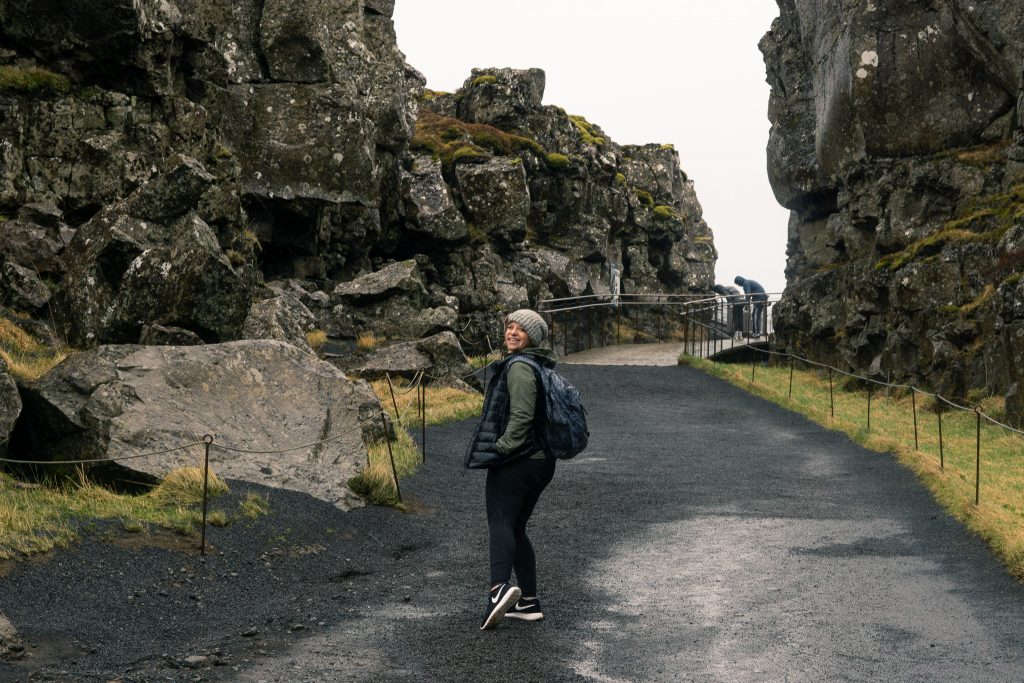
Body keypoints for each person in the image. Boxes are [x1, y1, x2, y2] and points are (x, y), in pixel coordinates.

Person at [466, 309, 558, 630]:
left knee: (501, 520)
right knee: (516, 526)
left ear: (532, 337)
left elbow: (520, 417)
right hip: (540, 460)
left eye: (521, 329)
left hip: (520, 458)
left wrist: (502, 449)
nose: (512, 333)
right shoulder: (538, 364)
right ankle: (529, 602)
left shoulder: (519, 366)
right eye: (510, 327)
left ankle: (498, 589)